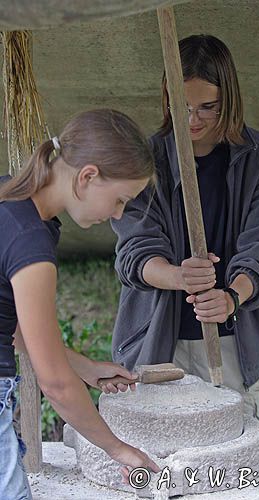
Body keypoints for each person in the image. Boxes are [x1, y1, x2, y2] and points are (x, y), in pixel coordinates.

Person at [110, 35, 259, 424]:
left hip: (229, 341)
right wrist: (178, 275)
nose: (192, 120)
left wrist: (230, 299)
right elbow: (134, 252)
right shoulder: (145, 158)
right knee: (157, 459)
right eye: (182, 105)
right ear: (166, 95)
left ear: (231, 99)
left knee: (234, 454)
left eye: (208, 107)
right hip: (155, 340)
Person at [0, 108, 159, 500]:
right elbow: (53, 382)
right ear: (87, 176)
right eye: (120, 200)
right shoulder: (31, 243)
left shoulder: (11, 198)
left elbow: (17, 328)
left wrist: (86, 368)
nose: (118, 215)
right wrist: (117, 448)